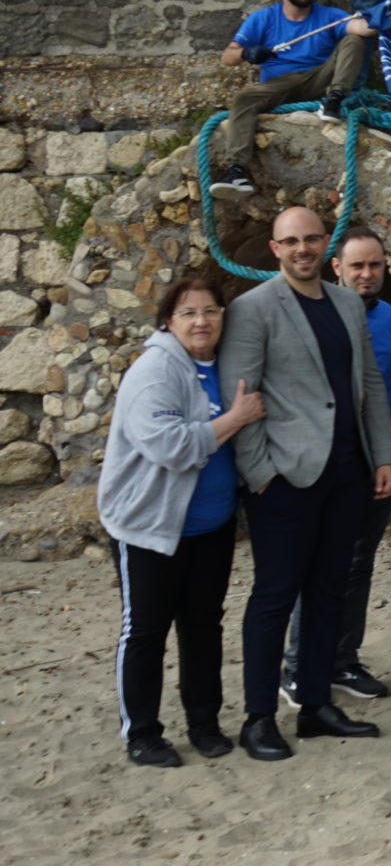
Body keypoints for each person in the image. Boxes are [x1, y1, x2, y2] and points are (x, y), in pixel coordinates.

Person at [217, 206, 391, 758]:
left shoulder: (348, 302)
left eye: (311, 239)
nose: (302, 249)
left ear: (325, 244)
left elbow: (367, 380)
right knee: (275, 598)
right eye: (290, 241)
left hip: (348, 472)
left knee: (329, 592)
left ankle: (317, 704)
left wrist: (384, 456)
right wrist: (262, 476)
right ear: (275, 248)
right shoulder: (250, 310)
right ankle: (258, 719)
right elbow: (240, 396)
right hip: (285, 478)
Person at [100, 274, 265, 766]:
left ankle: (204, 723)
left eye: (211, 311)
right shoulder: (156, 370)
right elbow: (168, 445)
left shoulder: (223, 364)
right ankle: (143, 734)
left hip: (210, 526)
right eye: (189, 312)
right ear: (169, 321)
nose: (201, 321)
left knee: (202, 627)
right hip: (149, 525)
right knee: (146, 630)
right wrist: (234, 419)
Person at [280, 231, 391, 703]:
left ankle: (341, 659)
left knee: (358, 566)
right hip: (324, 461)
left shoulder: (388, 315)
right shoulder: (316, 315)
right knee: (314, 567)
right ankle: (297, 665)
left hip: (375, 459)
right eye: (357, 267)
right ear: (337, 268)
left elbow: (384, 385)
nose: (366, 275)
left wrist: (388, 454)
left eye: (374, 266)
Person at [207, 0, 375, 195]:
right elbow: (227, 56)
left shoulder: (329, 15)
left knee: (354, 41)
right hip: (280, 84)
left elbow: (361, 28)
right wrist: (247, 52)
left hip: (319, 80)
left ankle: (334, 100)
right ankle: (236, 170)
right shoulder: (263, 18)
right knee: (244, 98)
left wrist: (382, 18)